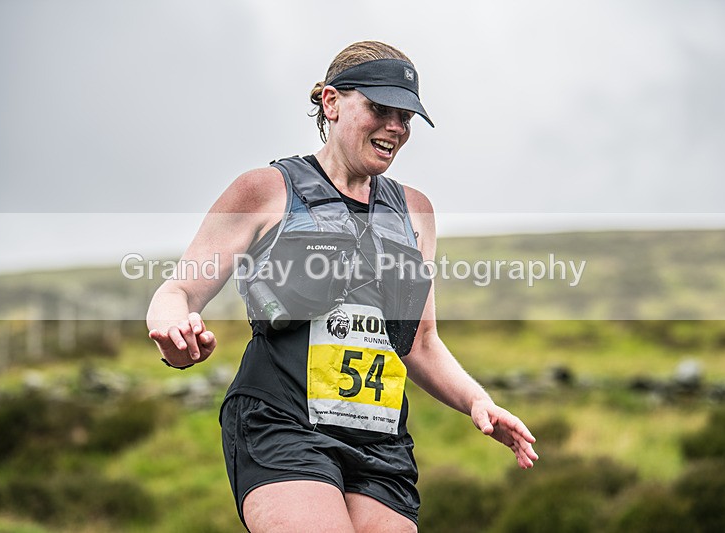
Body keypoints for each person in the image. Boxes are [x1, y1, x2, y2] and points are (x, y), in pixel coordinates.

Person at [147, 40, 538, 532]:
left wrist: (477, 401)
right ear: (331, 103)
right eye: (379, 108)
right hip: (282, 421)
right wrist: (172, 332)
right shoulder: (267, 189)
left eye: (406, 117)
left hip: (380, 441)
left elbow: (418, 340)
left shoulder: (416, 211)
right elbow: (178, 292)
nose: (395, 127)